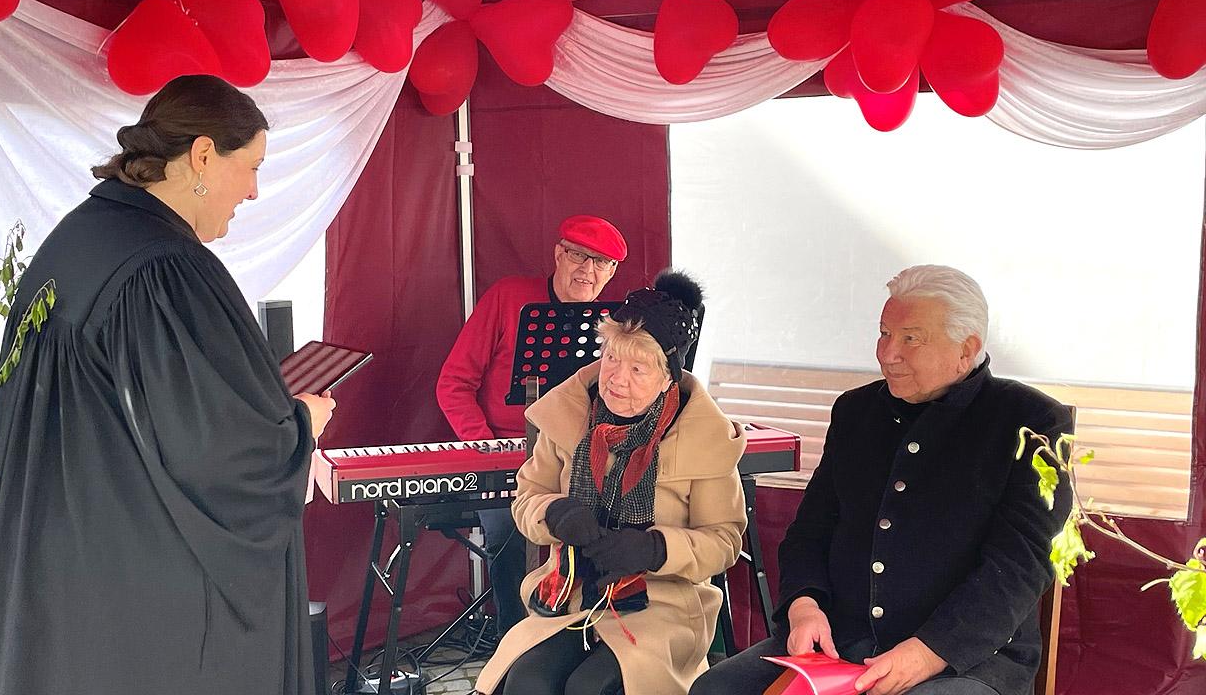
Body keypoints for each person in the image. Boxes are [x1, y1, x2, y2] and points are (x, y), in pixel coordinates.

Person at [0, 75, 337, 695]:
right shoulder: (166, 268)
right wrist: (300, 427)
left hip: (51, 568)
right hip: (138, 597)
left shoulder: (78, 238)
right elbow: (220, 455)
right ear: (204, 155)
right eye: (253, 167)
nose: (256, 191)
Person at [690, 265, 1073, 695]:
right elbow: (810, 531)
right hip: (840, 642)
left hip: (966, 660)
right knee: (715, 689)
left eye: (910, 338)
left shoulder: (1033, 423)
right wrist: (804, 606)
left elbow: (1021, 565)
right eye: (884, 333)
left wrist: (930, 651)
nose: (887, 353)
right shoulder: (856, 411)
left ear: (967, 350)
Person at [474, 271, 747, 695]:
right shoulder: (568, 411)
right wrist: (554, 512)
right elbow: (527, 497)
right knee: (528, 680)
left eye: (638, 368)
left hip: (661, 604)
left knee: (592, 687)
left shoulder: (704, 434)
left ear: (667, 376)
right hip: (571, 595)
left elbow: (725, 541)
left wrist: (656, 548)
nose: (617, 378)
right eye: (611, 359)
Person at [436, 215, 628, 636]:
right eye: (579, 256)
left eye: (602, 263)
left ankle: (586, 639)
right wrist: (483, 446)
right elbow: (453, 383)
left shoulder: (614, 323)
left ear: (612, 272)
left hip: (580, 454)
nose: (588, 271)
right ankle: (511, 645)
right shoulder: (508, 297)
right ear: (559, 253)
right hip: (507, 450)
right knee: (508, 532)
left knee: (616, 524)